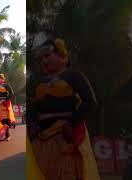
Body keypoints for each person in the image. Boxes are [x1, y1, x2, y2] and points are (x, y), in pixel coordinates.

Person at [28, 38, 100, 180]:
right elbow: (33, 107)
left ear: (61, 55)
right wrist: (32, 125)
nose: (43, 61)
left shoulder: (73, 75)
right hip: (41, 139)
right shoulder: (40, 82)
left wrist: (71, 123)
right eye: (41, 59)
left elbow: (90, 102)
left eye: (47, 56)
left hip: (65, 136)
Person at [0, 73, 16, 141]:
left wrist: (6, 100)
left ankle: (7, 135)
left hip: (4, 104)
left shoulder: (6, 85)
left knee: (4, 120)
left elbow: (12, 93)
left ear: (3, 79)